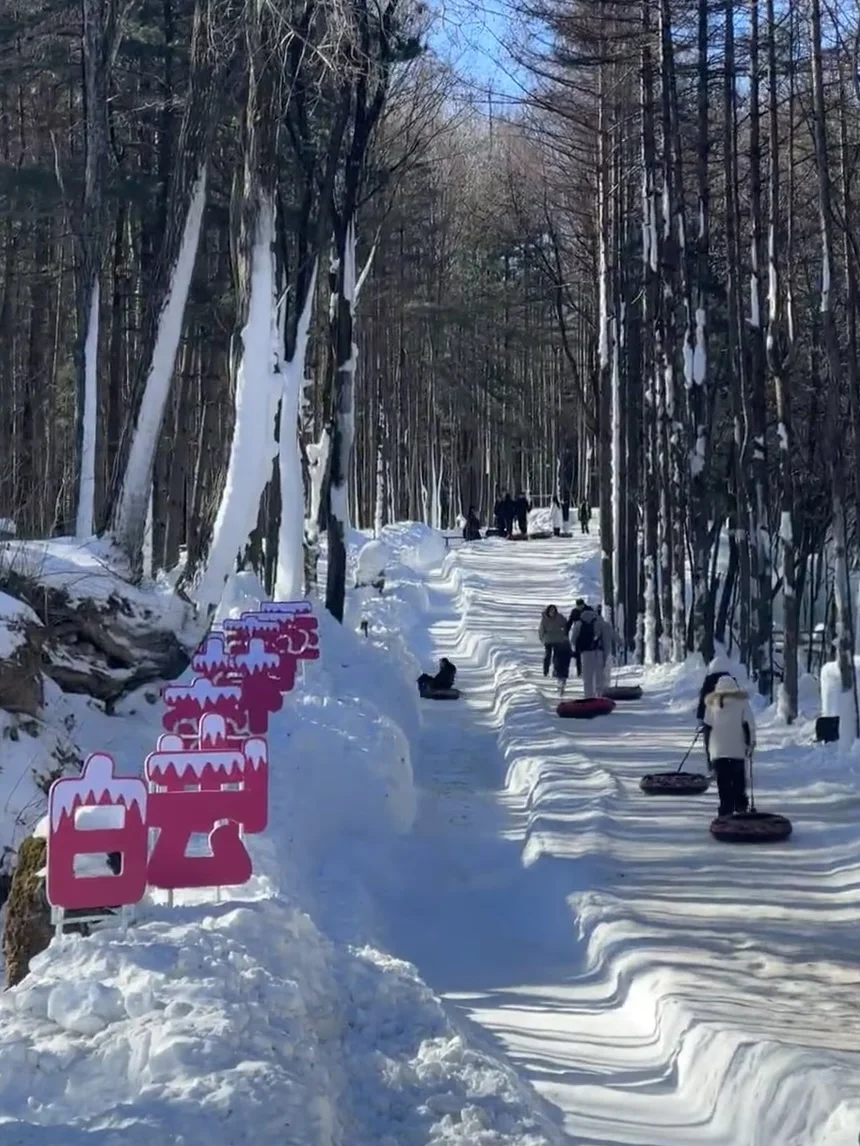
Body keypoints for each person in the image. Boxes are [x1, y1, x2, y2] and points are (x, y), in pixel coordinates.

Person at [702, 674, 755, 817]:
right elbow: (749, 725)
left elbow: (707, 728)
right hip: (737, 751)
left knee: (723, 783)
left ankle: (725, 811)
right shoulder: (742, 702)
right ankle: (741, 808)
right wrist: (751, 744)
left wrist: (708, 751)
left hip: (718, 751)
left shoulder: (711, 703)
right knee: (738, 781)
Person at [570, 603, 603, 698]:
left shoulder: (579, 623)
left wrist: (576, 648)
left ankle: (588, 695)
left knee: (587, 675)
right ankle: (599, 695)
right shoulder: (598, 622)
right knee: (598, 674)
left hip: (584, 652)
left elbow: (573, 639)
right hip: (597, 651)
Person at [538, 604, 573, 695]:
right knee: (548, 655)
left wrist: (564, 635)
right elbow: (541, 629)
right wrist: (542, 638)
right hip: (548, 640)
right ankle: (546, 669)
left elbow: (565, 626)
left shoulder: (560, 617)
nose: (552, 612)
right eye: (551, 611)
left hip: (558, 640)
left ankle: (555, 670)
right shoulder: (545, 619)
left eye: (553, 611)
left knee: (557, 657)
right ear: (548, 611)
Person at [696, 654, 733, 724]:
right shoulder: (731, 680)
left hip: (712, 717)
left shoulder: (709, 680)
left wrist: (700, 716)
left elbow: (703, 698)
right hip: (730, 718)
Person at [596, 604, 617, 692]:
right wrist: (620, 642)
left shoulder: (593, 625)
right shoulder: (606, 625)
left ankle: (598, 689)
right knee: (606, 671)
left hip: (595, 652)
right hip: (607, 651)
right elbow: (614, 635)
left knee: (597, 672)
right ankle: (605, 688)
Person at [566, 598, 586, 676]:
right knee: (578, 653)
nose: (580, 607)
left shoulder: (588, 610)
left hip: (587, 634)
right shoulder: (574, 611)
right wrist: (566, 631)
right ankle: (579, 670)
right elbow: (570, 621)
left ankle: (586, 669)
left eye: (581, 605)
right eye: (578, 606)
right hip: (578, 634)